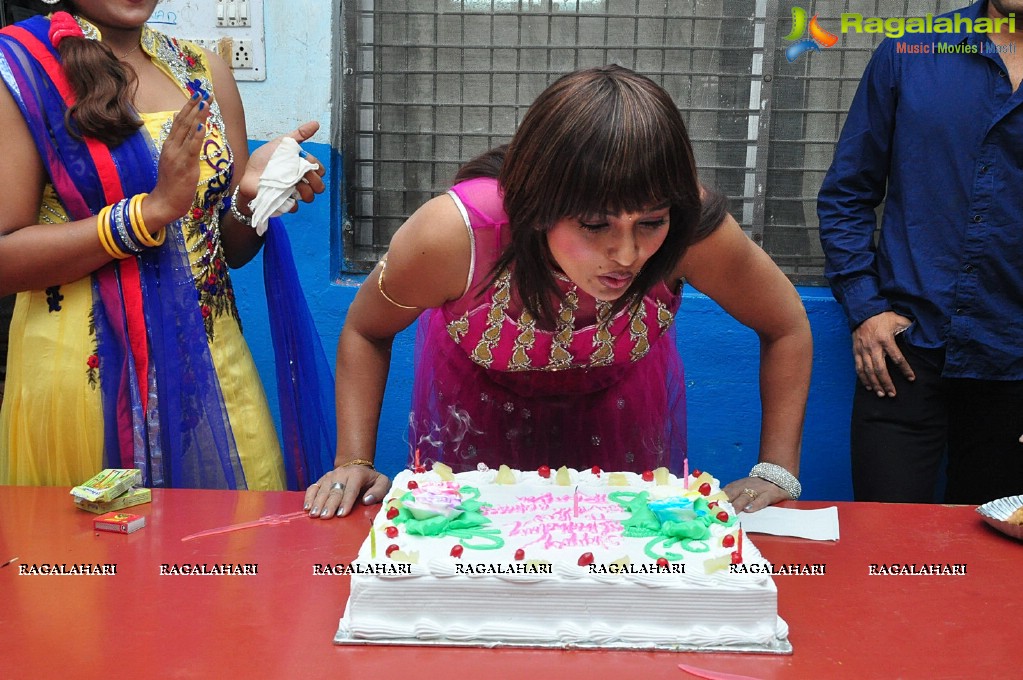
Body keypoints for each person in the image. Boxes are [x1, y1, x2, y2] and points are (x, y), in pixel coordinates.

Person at [305, 65, 812, 519]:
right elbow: (366, 329)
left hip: (617, 416)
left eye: (650, 223)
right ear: (538, 206)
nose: (628, 254)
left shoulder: (689, 229)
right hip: (479, 417)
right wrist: (354, 460)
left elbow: (785, 324)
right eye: (595, 225)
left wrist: (777, 470)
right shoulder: (455, 235)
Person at [0, 1, 333, 490]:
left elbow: (228, 251)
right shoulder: (21, 69)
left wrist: (252, 197)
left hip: (215, 369)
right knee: (99, 558)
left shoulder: (202, 69)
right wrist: (149, 212)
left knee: (231, 550)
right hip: (85, 374)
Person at [818, 0, 1023, 504]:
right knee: (884, 551)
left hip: (1015, 366)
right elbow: (847, 193)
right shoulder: (911, 52)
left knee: (991, 565)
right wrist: (866, 309)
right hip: (902, 355)